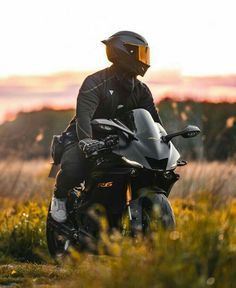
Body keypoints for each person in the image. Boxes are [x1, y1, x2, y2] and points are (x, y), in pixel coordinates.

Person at [51, 31, 163, 223]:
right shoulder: (95, 82)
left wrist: (162, 142)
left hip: (121, 141)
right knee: (75, 167)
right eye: (140, 53)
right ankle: (59, 196)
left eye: (146, 54)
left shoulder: (141, 90)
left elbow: (154, 121)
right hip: (84, 137)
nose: (145, 60)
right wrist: (86, 140)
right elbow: (84, 115)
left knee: (149, 172)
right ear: (122, 52)